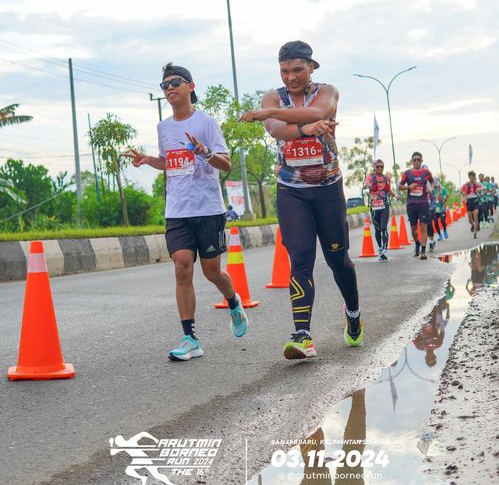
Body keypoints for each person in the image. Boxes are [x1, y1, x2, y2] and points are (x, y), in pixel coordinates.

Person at [240, 40, 363, 360]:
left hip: (328, 189)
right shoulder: (272, 96)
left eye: (297, 70)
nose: (291, 77)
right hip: (292, 191)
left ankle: (353, 313)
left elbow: (319, 111)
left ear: (312, 67)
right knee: (301, 260)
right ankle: (303, 336)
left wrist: (274, 114)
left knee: (338, 260)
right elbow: (277, 130)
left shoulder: (327, 91)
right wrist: (307, 128)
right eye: (284, 71)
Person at [124, 62, 248, 361]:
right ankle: (190, 338)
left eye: (175, 82)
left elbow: (226, 164)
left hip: (208, 209)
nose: (169, 88)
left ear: (191, 87)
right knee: (182, 267)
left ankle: (233, 301)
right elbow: (169, 162)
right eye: (164, 84)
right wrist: (148, 160)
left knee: (212, 272)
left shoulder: (207, 123)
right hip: (177, 210)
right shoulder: (163, 127)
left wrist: (204, 151)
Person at [399, 152, 434, 260]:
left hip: (423, 203)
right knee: (414, 229)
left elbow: (432, 182)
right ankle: (417, 243)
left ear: (421, 161)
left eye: (419, 159)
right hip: (411, 204)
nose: (417, 161)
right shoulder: (407, 173)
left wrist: (430, 189)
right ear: (412, 161)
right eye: (414, 160)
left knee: (423, 227)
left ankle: (423, 251)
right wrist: (408, 187)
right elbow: (400, 186)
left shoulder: (426, 172)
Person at [363, 159, 397, 261]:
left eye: (381, 166)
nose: (379, 168)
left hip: (384, 205)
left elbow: (388, 190)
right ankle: (380, 249)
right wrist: (367, 185)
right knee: (377, 229)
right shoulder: (370, 177)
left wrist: (395, 196)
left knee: (383, 228)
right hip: (374, 206)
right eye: (377, 166)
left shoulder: (386, 178)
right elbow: (365, 184)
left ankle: (385, 251)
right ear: (374, 167)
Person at [461, 170, 482, 239]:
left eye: (473, 177)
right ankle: (473, 225)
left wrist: (482, 193)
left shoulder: (478, 184)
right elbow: (460, 192)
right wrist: (463, 199)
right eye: (471, 177)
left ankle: (475, 233)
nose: (472, 178)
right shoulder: (465, 185)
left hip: (475, 201)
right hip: (469, 202)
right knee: (470, 220)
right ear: (469, 177)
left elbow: (483, 190)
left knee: (475, 216)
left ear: (474, 177)